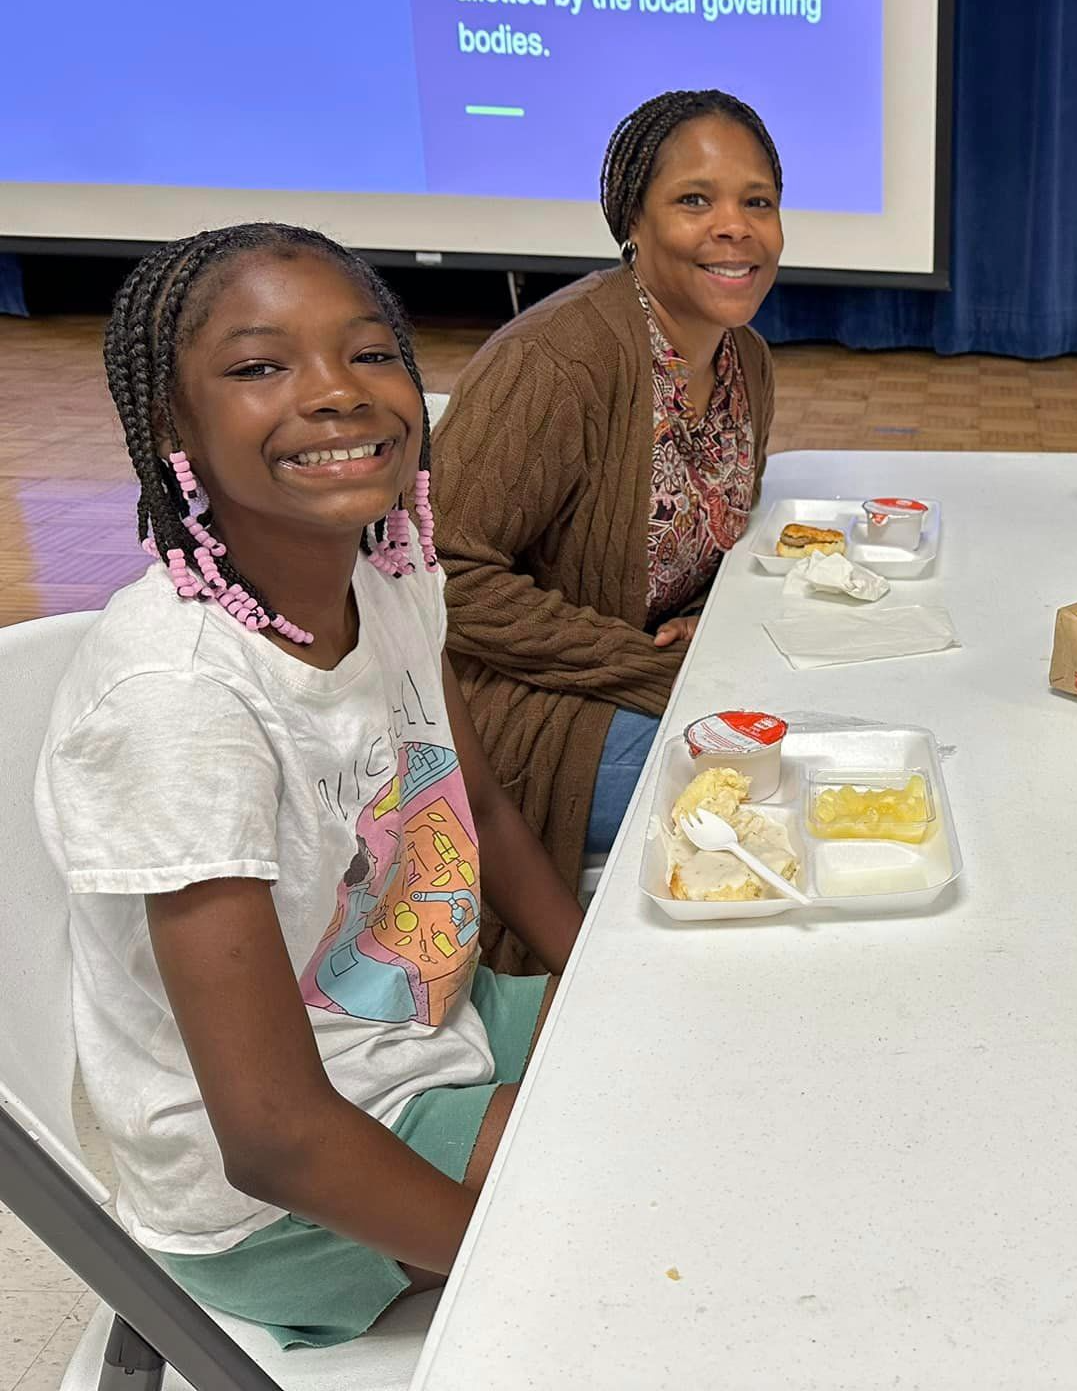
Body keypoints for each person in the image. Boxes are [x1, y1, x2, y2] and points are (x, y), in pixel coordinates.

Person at [34, 225, 585, 1347]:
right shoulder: (178, 702)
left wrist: (601, 979)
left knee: (711, 1050)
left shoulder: (391, 574)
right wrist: (530, 1264)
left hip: (429, 1027)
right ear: (168, 425)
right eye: (258, 366)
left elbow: (472, 804)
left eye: (371, 353)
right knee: (651, 1191)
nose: (336, 394)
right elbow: (275, 1135)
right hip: (287, 1189)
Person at [432, 89, 782, 959]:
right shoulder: (557, 362)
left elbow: (693, 545)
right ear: (633, 221)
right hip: (526, 712)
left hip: (644, 677)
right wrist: (650, 667)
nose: (734, 227)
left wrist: (710, 622)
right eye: (694, 200)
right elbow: (440, 572)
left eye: (758, 201)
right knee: (765, 803)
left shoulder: (746, 359)